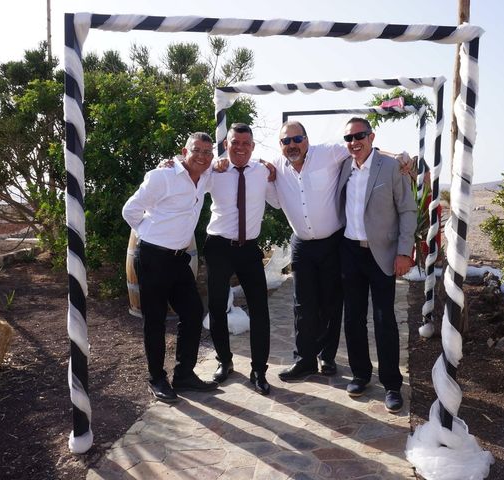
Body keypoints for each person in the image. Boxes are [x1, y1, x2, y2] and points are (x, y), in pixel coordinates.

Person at [122, 132, 219, 403]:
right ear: (184, 150)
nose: (202, 155)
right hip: (152, 257)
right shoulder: (161, 176)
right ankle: (156, 378)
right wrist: (147, 232)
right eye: (196, 150)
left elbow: (226, 165)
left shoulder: (206, 176)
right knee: (155, 320)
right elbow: (130, 210)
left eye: (207, 152)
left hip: (178, 258)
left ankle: (184, 375)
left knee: (193, 311)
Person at [336, 117, 416, 413]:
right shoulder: (344, 165)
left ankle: (392, 385)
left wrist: (404, 252)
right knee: (353, 317)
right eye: (349, 138)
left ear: (371, 136)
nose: (354, 142)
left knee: (384, 320)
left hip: (382, 253)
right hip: (349, 252)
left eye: (359, 136)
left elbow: (408, 209)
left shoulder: (391, 166)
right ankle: (360, 374)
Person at [269, 121, 350, 380]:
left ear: (307, 139)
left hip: (332, 242)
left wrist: (399, 158)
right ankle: (304, 360)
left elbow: (363, 149)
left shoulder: (328, 153)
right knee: (302, 305)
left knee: (330, 303)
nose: (292, 145)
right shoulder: (275, 168)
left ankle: (326, 357)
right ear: (280, 145)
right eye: (286, 141)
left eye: (297, 139)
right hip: (302, 245)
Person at [205, 123, 273, 395]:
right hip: (219, 246)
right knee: (217, 306)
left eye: (246, 143)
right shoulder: (214, 170)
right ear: (226, 145)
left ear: (253, 146)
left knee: (260, 309)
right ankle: (225, 361)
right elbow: (187, 168)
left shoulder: (263, 172)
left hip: (249, 249)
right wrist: (167, 164)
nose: (240, 148)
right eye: (235, 143)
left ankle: (259, 370)